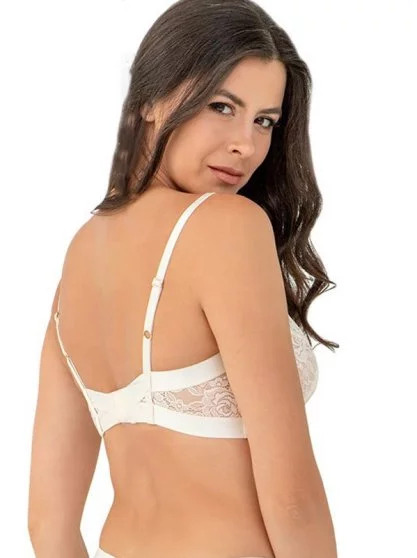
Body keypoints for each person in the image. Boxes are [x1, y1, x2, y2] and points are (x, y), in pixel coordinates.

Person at [28, 0, 339, 556]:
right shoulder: (228, 226)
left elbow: (48, 526)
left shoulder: (81, 255)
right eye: (222, 106)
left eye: (265, 121)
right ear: (150, 98)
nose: (247, 144)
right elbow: (293, 500)